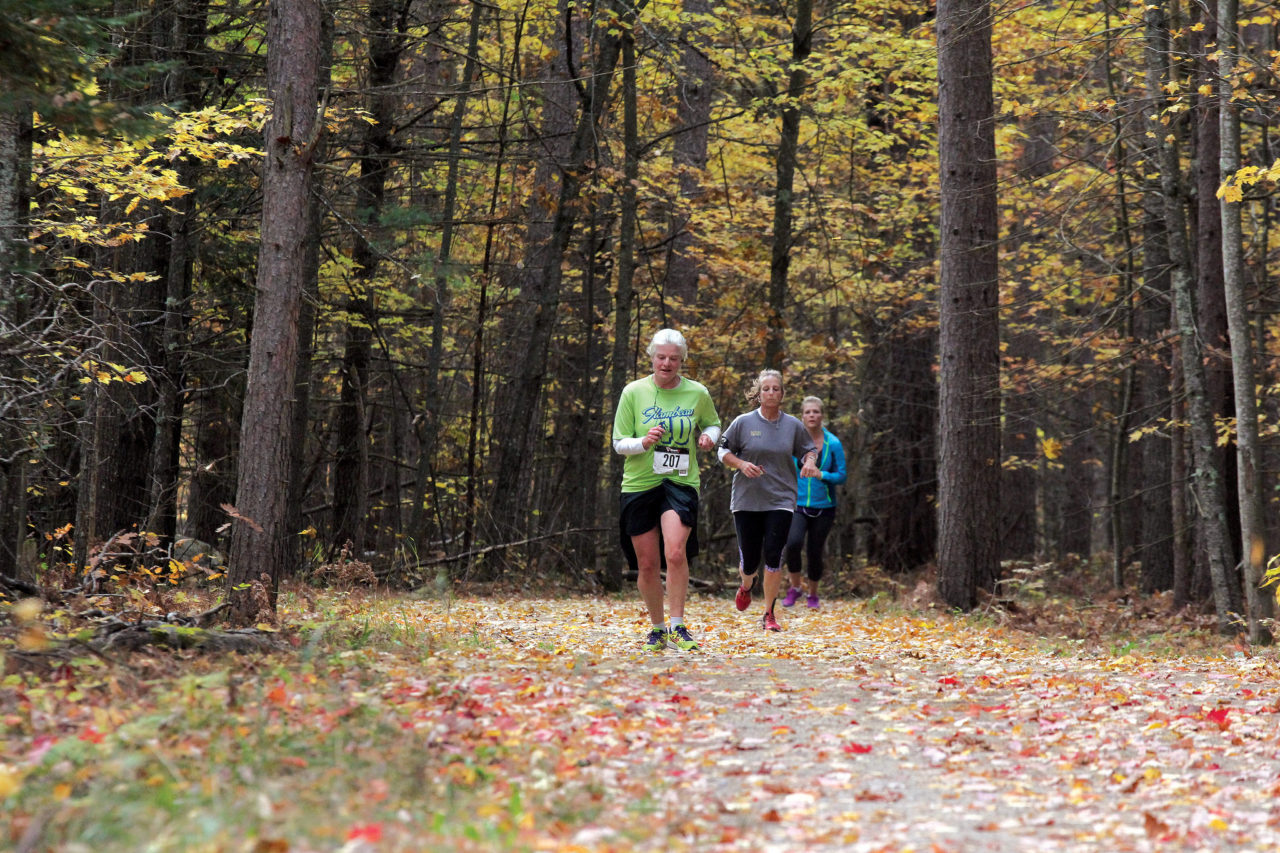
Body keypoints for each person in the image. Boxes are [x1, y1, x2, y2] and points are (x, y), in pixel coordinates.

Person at [613, 329, 721, 652]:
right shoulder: (633, 392)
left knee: (674, 553)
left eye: (674, 358)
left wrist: (709, 438)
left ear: (682, 360)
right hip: (639, 483)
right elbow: (619, 442)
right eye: (661, 357)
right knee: (646, 564)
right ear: (652, 358)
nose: (667, 363)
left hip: (680, 481)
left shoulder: (697, 393)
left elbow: (713, 423)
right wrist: (643, 441)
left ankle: (678, 626)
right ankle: (657, 630)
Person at [717, 369, 820, 632]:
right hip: (747, 499)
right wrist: (741, 464)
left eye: (776, 388)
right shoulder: (743, 422)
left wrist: (809, 461)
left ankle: (769, 614)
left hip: (781, 499)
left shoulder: (793, 425)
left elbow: (808, 450)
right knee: (750, 562)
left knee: (774, 557)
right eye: (766, 389)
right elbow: (723, 450)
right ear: (758, 393)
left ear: (782, 394)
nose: (771, 393)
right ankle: (746, 585)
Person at [781, 396, 847, 610]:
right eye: (808, 412)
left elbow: (842, 476)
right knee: (792, 544)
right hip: (797, 504)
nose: (812, 415)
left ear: (822, 415)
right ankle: (795, 587)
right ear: (802, 416)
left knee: (815, 551)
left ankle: (813, 594)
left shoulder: (833, 443)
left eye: (816, 412)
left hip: (824, 507)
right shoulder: (794, 442)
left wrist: (822, 475)